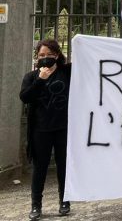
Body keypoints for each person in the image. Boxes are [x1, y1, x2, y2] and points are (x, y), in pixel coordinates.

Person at [19, 39, 72, 220]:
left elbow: (86, 63)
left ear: (57, 55)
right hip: (40, 129)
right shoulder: (31, 77)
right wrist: (41, 80)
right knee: (39, 168)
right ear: (37, 57)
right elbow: (25, 97)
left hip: (63, 128)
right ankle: (36, 205)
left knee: (63, 166)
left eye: (50, 54)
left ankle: (65, 200)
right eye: (42, 55)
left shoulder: (67, 72)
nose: (46, 58)